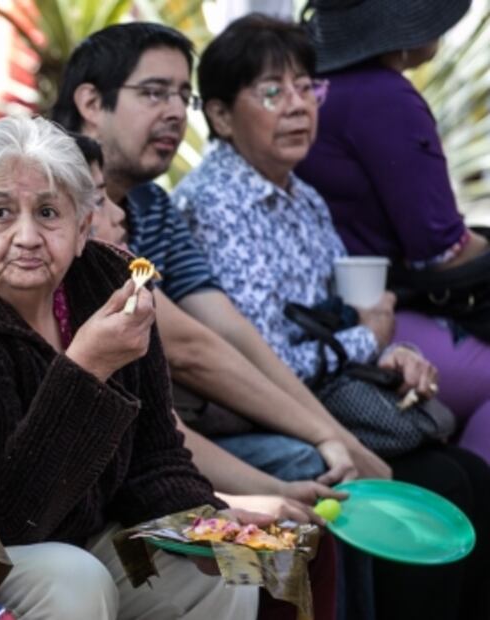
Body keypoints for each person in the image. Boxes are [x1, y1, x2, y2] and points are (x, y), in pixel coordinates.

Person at [173, 14, 490, 620]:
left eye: (304, 88)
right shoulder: (217, 204)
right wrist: (365, 337)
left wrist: (393, 353)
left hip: (329, 394)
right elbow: (263, 358)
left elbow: (346, 317)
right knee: (436, 483)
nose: (297, 107)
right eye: (272, 92)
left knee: (468, 475)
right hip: (264, 409)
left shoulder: (303, 197)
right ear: (218, 116)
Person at [0, 115, 260, 619]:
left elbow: (155, 455)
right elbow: (4, 522)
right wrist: (85, 368)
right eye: (0, 212)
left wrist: (209, 519)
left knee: (217, 569)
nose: (27, 236)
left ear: (83, 228)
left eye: (47, 212)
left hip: (82, 532)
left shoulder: (107, 282)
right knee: (73, 580)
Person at [49, 22, 391, 484]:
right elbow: (191, 350)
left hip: (164, 425)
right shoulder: (56, 198)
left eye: (180, 96)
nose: (174, 112)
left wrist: (333, 437)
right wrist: (329, 441)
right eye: (153, 93)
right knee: (312, 466)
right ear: (91, 103)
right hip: (81, 444)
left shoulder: (153, 204)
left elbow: (228, 330)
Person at [296, 0, 490, 464]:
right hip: (369, 319)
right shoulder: (382, 96)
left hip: (318, 316)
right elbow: (442, 251)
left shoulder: (312, 90)